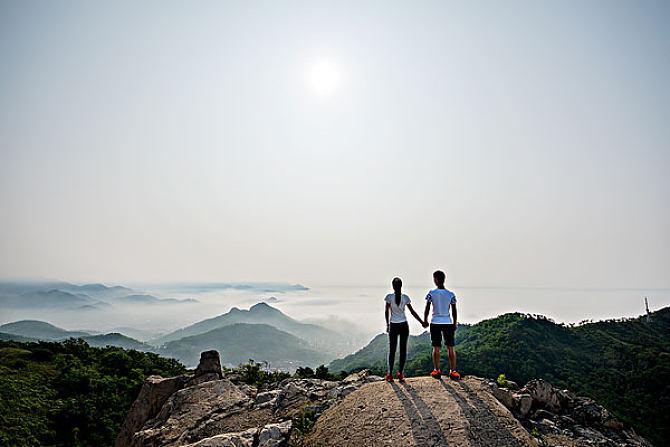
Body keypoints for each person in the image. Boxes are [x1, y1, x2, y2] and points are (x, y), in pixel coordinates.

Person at [384, 277, 425, 383]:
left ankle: (390, 374)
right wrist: (422, 322)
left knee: (392, 350)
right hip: (404, 325)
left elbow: (386, 312)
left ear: (393, 286)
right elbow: (412, 312)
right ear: (401, 286)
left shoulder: (389, 297)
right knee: (403, 350)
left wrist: (387, 324)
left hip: (393, 325)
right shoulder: (405, 298)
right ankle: (401, 373)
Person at [423, 270, 460, 380]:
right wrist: (454, 323)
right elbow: (454, 310)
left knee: (436, 347)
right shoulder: (451, 294)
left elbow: (427, 308)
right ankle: (453, 371)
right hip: (447, 322)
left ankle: (436, 370)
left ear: (435, 279)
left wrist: (425, 320)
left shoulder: (431, 293)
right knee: (451, 347)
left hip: (435, 322)